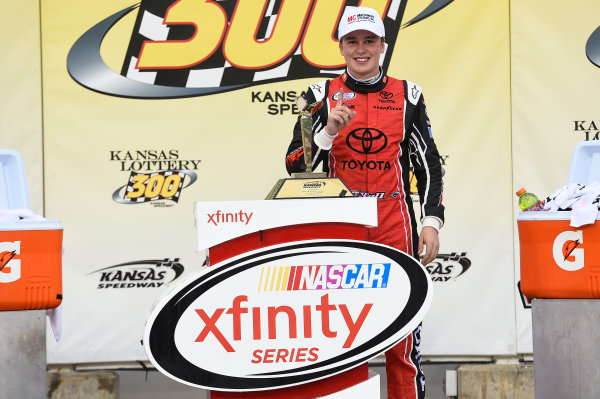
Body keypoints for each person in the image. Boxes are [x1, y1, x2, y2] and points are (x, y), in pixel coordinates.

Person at [285, 6, 445, 399]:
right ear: (340, 48)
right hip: (342, 223)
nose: (361, 49)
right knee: (341, 327)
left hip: (395, 221)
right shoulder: (319, 95)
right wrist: (326, 134)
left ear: (382, 46)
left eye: (369, 41)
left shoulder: (409, 95)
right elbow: (295, 166)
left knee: (402, 333)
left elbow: (429, 164)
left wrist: (432, 221)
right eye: (352, 41)